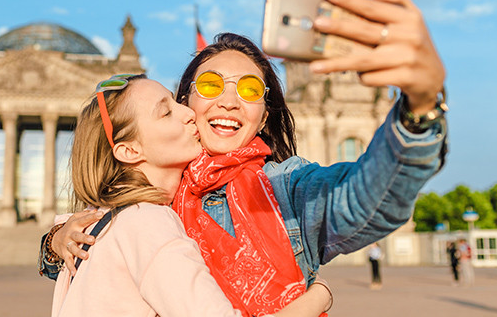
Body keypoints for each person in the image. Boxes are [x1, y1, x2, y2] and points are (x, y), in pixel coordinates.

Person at [43, 0, 446, 308]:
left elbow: (364, 199)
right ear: (187, 104)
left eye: (251, 90)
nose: (230, 102)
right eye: (211, 86)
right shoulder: (146, 194)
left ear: (264, 116)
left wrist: (421, 109)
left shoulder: (287, 190)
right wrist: (55, 241)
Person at [49, 74, 332, 316]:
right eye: (166, 112)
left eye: (176, 102)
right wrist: (320, 294)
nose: (188, 113)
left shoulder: (102, 223)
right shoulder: (146, 222)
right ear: (130, 151)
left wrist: (52, 242)